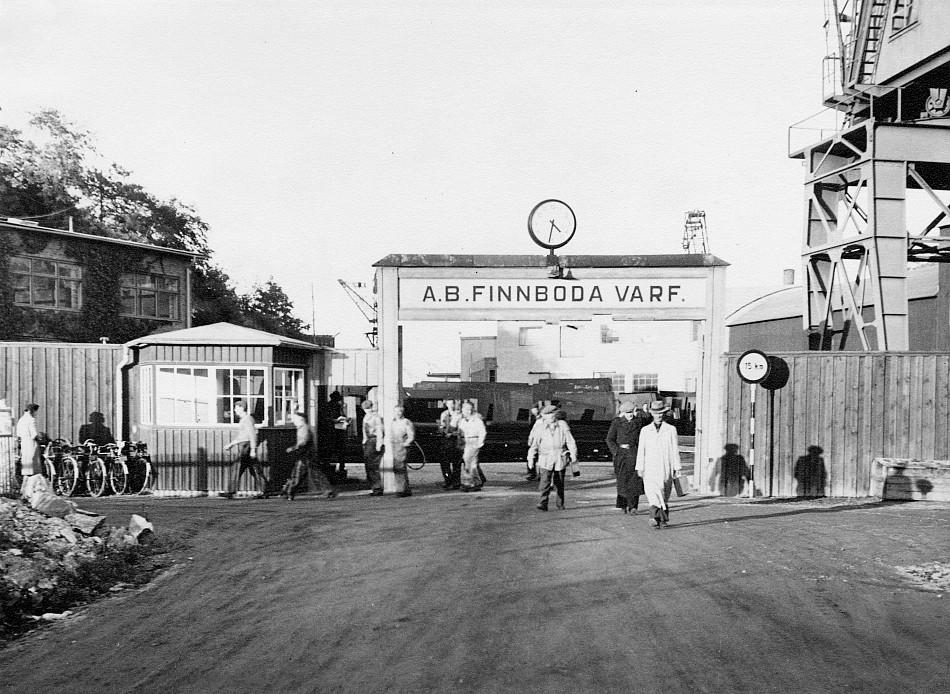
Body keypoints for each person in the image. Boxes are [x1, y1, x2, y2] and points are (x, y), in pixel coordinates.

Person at [635, 401, 682, 528]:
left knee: (664, 493)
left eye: (661, 413)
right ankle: (654, 517)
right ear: (652, 414)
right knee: (652, 492)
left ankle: (663, 519)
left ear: (664, 414)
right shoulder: (645, 430)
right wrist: (640, 467)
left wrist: (677, 467)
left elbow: (674, 449)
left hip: (666, 465)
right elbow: (641, 449)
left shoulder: (671, 430)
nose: (659, 416)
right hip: (650, 466)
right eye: (656, 414)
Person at [527, 404, 579, 511]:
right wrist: (530, 458)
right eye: (547, 415)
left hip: (559, 458)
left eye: (552, 415)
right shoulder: (540, 428)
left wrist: (573, 455)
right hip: (546, 459)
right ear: (544, 416)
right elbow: (534, 445)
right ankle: (543, 503)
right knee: (544, 482)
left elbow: (570, 441)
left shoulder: (563, 425)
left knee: (559, 483)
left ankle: (560, 504)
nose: (550, 417)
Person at [282, 411, 336, 500]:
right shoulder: (302, 428)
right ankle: (328, 490)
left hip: (305, 455)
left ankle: (288, 492)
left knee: (299, 474)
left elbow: (303, 441)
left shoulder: (303, 428)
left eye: (295, 418)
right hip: (307, 455)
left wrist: (293, 448)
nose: (293, 420)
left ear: (301, 419)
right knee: (314, 474)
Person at [606, 401, 646, 513]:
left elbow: (641, 439)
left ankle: (633, 506)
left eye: (632, 412)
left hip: (634, 454)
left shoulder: (638, 423)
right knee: (622, 480)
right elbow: (609, 439)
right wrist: (616, 451)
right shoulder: (617, 423)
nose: (630, 414)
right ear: (623, 413)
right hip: (621, 455)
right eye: (628, 412)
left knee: (635, 481)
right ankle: (623, 504)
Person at [223, 400, 269, 499]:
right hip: (245, 445)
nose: (234, 410)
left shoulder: (247, 419)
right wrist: (231, 444)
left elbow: (252, 434)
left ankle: (231, 491)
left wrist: (253, 449)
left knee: (238, 468)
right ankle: (264, 491)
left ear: (242, 408)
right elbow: (242, 435)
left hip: (246, 446)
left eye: (236, 407)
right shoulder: (245, 419)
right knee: (255, 469)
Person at [457, 400, 486, 492]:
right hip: (465, 442)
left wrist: (479, 443)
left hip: (473, 441)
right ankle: (476, 482)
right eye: (463, 409)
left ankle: (469, 483)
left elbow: (482, 432)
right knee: (471, 463)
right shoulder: (462, 421)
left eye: (466, 409)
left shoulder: (477, 420)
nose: (464, 411)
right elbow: (459, 432)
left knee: (468, 462)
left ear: (470, 410)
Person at [388, 404, 415, 498]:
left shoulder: (406, 422)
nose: (397, 413)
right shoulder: (393, 422)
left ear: (402, 412)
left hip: (402, 446)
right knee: (397, 467)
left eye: (399, 411)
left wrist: (406, 443)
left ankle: (401, 490)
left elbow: (411, 435)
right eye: (395, 411)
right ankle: (405, 489)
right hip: (394, 446)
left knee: (399, 467)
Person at [361, 399, 385, 496]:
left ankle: (377, 488)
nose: (367, 410)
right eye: (365, 409)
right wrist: (364, 441)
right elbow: (364, 430)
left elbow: (379, 430)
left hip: (374, 441)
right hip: (368, 441)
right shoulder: (366, 417)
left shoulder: (376, 417)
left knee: (373, 466)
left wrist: (379, 444)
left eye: (368, 408)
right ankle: (374, 487)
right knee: (368, 465)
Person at [437, 399, 462, 489]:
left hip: (455, 440)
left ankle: (456, 482)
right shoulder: (444, 414)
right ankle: (448, 481)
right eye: (449, 404)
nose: (451, 406)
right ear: (446, 404)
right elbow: (442, 427)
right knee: (444, 462)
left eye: (452, 404)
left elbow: (461, 429)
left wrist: (452, 433)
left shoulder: (459, 415)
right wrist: (443, 430)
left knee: (456, 463)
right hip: (446, 440)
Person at [327, 391, 350, 479]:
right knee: (339, 450)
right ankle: (340, 467)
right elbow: (327, 418)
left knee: (338, 450)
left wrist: (345, 420)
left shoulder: (334, 405)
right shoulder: (333, 406)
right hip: (334, 430)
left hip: (336, 430)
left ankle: (338, 467)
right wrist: (337, 420)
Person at [15, 404, 41, 477]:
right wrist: (39, 439)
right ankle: (33, 478)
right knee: (33, 459)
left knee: (25, 459)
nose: (36, 414)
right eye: (35, 411)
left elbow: (18, 433)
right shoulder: (31, 420)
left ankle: (26, 477)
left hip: (24, 442)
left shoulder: (21, 420)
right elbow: (34, 434)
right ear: (31, 411)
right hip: (30, 442)